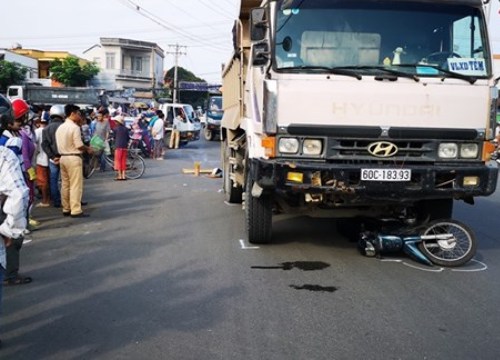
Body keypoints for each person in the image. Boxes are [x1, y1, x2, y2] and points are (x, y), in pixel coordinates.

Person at [55, 104, 93, 218]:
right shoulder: (74, 127)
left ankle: (66, 207)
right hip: (73, 157)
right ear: (72, 114)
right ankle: (76, 210)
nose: (80, 116)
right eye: (78, 114)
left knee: (65, 185)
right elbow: (79, 145)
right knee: (76, 185)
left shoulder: (61, 127)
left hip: (63, 157)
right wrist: (88, 149)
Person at [41, 105, 65, 208]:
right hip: (65, 157)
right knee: (67, 180)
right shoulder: (65, 126)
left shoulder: (46, 129)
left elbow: (44, 144)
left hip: (53, 159)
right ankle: (68, 200)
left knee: (53, 180)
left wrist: (52, 156)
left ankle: (56, 201)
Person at [34, 117, 51, 207]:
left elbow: (34, 143)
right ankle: (50, 198)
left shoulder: (37, 131)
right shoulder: (49, 129)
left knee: (42, 181)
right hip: (51, 159)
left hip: (41, 159)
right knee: (49, 180)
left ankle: (45, 201)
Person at [113, 115, 128, 180]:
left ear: (117, 122)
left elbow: (114, 137)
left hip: (118, 146)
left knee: (118, 161)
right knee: (123, 161)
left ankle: (120, 175)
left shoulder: (115, 129)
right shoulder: (126, 129)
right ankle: (124, 175)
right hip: (124, 146)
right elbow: (128, 138)